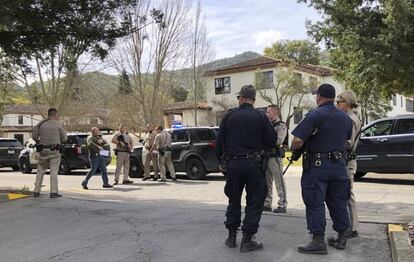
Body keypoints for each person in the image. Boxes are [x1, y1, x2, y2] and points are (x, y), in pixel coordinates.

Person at [291, 84, 352, 255]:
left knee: (315, 201)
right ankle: (341, 237)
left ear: (319, 97)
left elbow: (297, 141)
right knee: (338, 201)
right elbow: (346, 139)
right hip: (339, 166)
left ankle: (318, 241)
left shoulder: (314, 115)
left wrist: (297, 146)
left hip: (318, 167)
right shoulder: (345, 118)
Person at [216, 84, 277, 253]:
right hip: (254, 165)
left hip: (233, 165)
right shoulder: (261, 117)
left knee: (233, 200)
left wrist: (222, 163)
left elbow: (219, 143)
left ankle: (231, 237)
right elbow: (272, 141)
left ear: (241, 98)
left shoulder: (229, 116)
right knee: (255, 201)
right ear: (254, 100)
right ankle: (247, 240)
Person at [336, 90, 362, 239]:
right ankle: (349, 226)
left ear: (347, 103)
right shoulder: (349, 117)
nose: (337, 104)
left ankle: (352, 228)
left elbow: (348, 143)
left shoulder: (351, 119)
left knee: (347, 195)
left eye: (339, 101)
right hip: (346, 161)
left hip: (347, 161)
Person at [33, 108, 67, 198]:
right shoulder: (58, 124)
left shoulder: (40, 124)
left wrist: (41, 140)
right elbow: (65, 139)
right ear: (55, 115)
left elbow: (34, 137)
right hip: (55, 151)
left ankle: (36, 191)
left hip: (43, 150)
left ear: (48, 114)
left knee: (40, 170)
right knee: (53, 171)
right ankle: (53, 192)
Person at [264, 105, 288, 213]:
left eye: (269, 112)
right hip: (266, 156)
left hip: (275, 157)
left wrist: (266, 140)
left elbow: (279, 140)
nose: (267, 114)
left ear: (275, 113)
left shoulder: (281, 126)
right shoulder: (267, 125)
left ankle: (282, 204)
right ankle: (267, 203)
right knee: (266, 182)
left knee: (279, 181)